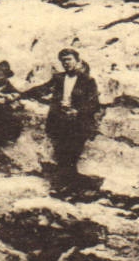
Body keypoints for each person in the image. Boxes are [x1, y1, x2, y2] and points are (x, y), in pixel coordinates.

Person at [20, 48, 101, 193]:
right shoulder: (59, 78)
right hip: (59, 122)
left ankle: (69, 188)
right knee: (61, 155)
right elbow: (43, 89)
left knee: (71, 156)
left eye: (69, 59)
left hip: (78, 124)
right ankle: (67, 188)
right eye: (63, 61)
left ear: (77, 61)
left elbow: (93, 103)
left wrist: (77, 111)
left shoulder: (88, 80)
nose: (66, 63)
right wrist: (20, 94)